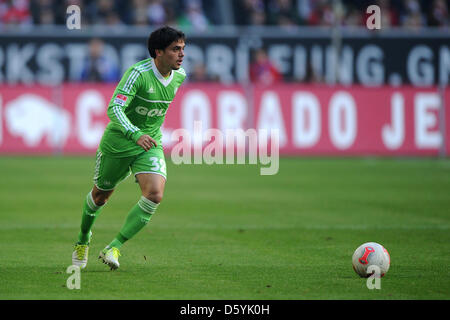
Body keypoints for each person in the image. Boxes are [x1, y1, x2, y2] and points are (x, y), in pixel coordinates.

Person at [72, 26, 186, 270]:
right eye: (175, 49)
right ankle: (83, 239)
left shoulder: (179, 76)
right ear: (158, 52)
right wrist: (135, 133)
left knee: (155, 194)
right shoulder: (138, 73)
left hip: (149, 143)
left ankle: (114, 247)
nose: (181, 54)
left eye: (182, 49)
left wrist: (145, 135)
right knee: (100, 196)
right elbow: (114, 108)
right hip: (120, 142)